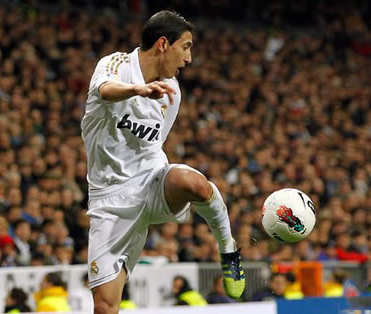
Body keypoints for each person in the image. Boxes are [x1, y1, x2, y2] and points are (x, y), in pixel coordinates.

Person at [82, 10, 245, 314]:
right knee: (105, 307)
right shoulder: (115, 64)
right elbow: (105, 90)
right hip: (109, 200)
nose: (189, 58)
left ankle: (228, 249)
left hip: (151, 182)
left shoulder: (172, 92)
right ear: (162, 44)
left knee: (194, 183)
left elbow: (155, 145)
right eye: (186, 47)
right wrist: (137, 90)